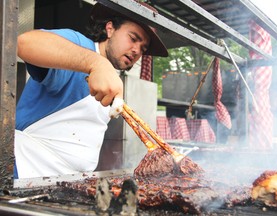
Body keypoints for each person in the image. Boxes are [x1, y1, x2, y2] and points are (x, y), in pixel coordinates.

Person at [15, 1, 168, 179]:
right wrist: (96, 63)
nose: (136, 51)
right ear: (110, 29)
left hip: (67, 182)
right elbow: (25, 43)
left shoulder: (111, 80)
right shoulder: (80, 45)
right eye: (133, 38)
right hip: (26, 171)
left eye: (143, 48)